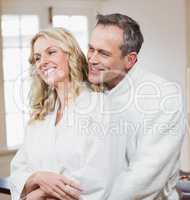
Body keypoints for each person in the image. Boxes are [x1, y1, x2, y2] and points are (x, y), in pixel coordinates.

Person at [9, 27, 127, 200]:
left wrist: (41, 193)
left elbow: (101, 173)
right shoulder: (39, 117)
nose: (43, 62)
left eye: (51, 52)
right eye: (37, 57)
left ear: (70, 54)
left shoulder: (100, 107)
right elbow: (19, 168)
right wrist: (37, 178)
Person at [87, 13, 185, 200]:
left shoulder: (163, 95)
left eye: (103, 53)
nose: (91, 59)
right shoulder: (85, 90)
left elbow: (144, 177)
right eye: (91, 49)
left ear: (130, 60)